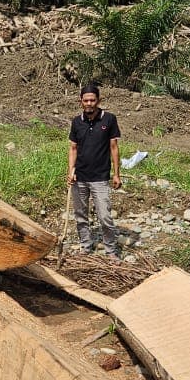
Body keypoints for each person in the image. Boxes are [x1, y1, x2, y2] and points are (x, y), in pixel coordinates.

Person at [67, 83, 121, 257]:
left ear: (99, 100)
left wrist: (116, 174)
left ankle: (111, 250)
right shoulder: (76, 122)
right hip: (80, 177)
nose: (89, 103)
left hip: (100, 177)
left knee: (104, 216)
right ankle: (85, 246)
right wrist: (70, 171)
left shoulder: (109, 119)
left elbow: (114, 147)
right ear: (80, 102)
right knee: (80, 215)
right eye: (86, 100)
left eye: (92, 100)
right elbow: (73, 149)